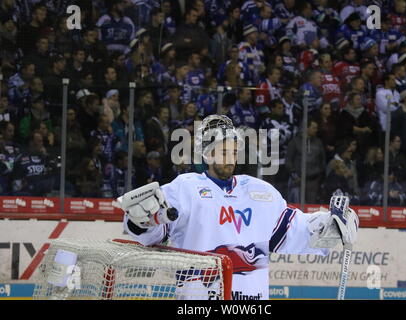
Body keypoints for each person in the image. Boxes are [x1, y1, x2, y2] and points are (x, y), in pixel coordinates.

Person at [120, 114, 358, 300]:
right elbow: (152, 233)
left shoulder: (259, 192)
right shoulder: (185, 188)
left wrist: (330, 225)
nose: (231, 158)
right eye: (224, 152)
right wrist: (140, 221)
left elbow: (294, 231)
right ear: (207, 154)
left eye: (234, 151)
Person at [286, 119, 326, 204]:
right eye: (313, 128)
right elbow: (289, 159)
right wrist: (294, 175)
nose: (316, 130)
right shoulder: (295, 141)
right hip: (298, 180)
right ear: (306, 128)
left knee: (312, 205)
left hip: (313, 180)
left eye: (316, 128)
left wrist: (319, 173)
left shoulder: (318, 142)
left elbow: (322, 159)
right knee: (297, 205)